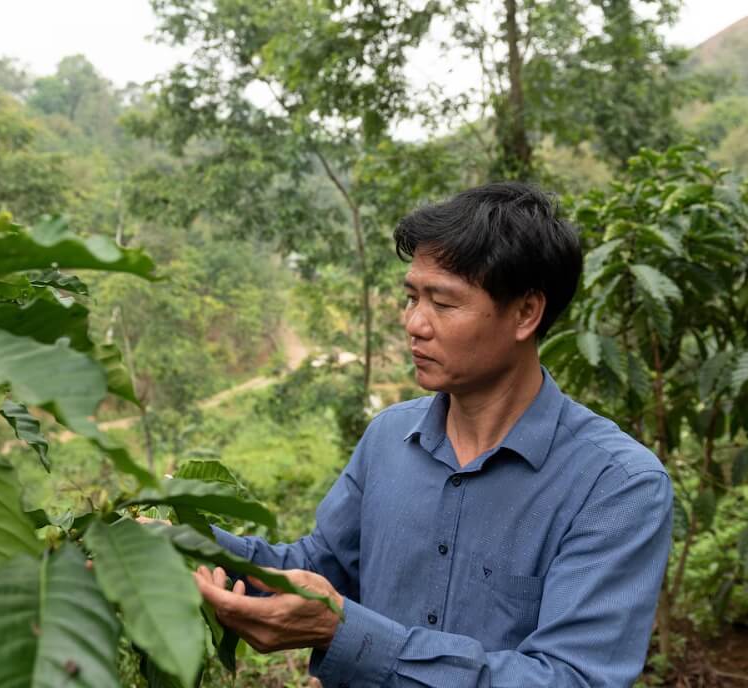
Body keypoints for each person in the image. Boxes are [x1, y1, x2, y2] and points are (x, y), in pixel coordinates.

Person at [195, 182, 674, 687]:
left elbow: (571, 678)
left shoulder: (617, 485)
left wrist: (346, 635)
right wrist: (187, 543)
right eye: (411, 298)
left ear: (526, 314)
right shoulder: (389, 438)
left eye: (443, 304)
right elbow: (320, 566)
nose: (414, 324)